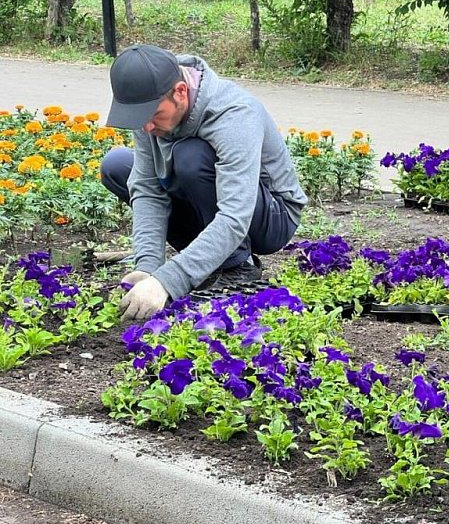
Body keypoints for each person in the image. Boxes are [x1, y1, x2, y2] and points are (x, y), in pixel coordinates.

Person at [101, 44, 308, 321]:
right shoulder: (150, 111)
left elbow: (235, 217)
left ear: (180, 92)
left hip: (269, 216)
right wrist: (148, 268)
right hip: (210, 201)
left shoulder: (234, 115)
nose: (147, 127)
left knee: (190, 156)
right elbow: (149, 189)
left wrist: (169, 281)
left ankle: (237, 267)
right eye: (140, 119)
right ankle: (207, 257)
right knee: (117, 166)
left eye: (153, 116)